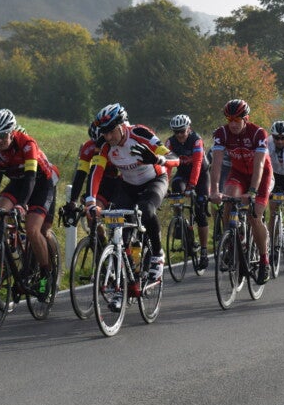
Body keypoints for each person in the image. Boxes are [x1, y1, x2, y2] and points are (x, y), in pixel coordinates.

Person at [85, 103, 178, 293]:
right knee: (119, 232)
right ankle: (128, 282)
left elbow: (174, 158)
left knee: (146, 210)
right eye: (104, 133)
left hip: (154, 180)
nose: (108, 137)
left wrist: (158, 159)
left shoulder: (139, 133)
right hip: (128, 185)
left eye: (111, 132)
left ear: (121, 126)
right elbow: (96, 172)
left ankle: (158, 255)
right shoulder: (104, 145)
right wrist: (90, 202)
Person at [0, 109, 60, 297]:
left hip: (41, 184)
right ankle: (3, 263)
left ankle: (45, 275)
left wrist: (21, 204)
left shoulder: (27, 144)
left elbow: (31, 177)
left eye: (2, 136)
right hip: (18, 183)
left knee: (33, 229)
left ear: (11, 132)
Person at [209, 99, 275, 284]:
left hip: (261, 176)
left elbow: (260, 164)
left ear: (246, 118)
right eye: (229, 119)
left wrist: (252, 191)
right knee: (228, 198)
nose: (233, 124)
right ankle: (231, 242)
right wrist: (214, 190)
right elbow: (216, 163)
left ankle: (264, 260)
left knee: (254, 217)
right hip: (238, 174)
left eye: (237, 120)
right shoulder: (221, 133)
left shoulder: (258, 133)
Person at [165, 114, 211, 269]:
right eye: (176, 132)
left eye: (182, 131)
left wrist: (192, 186)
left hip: (201, 175)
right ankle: (179, 220)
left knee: (200, 211)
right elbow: (167, 165)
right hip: (183, 174)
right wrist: (164, 185)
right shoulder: (170, 142)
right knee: (176, 188)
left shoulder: (196, 140)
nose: (179, 135)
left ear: (188, 129)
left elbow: (197, 164)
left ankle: (203, 251)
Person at [59, 136, 120, 227]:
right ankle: (101, 233)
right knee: (92, 215)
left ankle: (116, 225)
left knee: (119, 219)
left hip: (120, 180)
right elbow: (80, 175)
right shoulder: (88, 147)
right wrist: (73, 201)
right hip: (101, 181)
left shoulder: (118, 144)